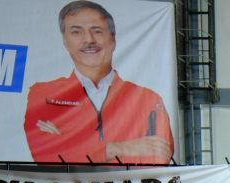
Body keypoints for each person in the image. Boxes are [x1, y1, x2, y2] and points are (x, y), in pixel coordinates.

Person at [23, 2, 173, 164]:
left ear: (113, 39)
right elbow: (47, 156)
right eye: (76, 32)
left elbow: (160, 157)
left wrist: (70, 146)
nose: (88, 39)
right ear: (65, 42)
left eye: (97, 31)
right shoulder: (44, 95)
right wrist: (116, 149)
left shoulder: (147, 99)